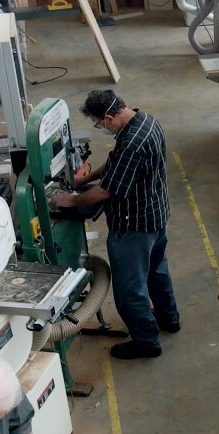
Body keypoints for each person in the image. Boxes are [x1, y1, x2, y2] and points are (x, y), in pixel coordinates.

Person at [54, 90, 180, 360]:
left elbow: (105, 191)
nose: (99, 128)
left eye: (98, 124)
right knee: (157, 272)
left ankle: (146, 342)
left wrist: (71, 200)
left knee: (129, 291)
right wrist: (81, 180)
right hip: (157, 214)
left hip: (133, 226)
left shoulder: (132, 142)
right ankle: (169, 318)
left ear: (109, 118)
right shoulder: (145, 120)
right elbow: (115, 164)